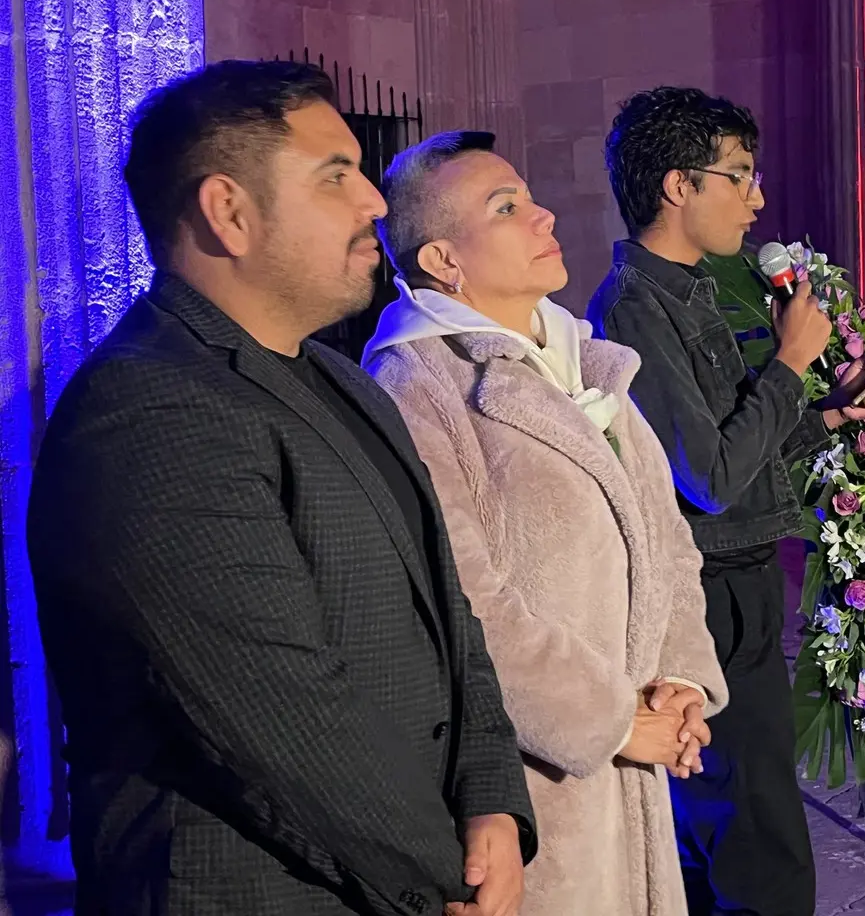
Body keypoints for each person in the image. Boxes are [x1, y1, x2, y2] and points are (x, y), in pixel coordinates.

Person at [26, 61, 534, 916]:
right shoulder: (150, 409)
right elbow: (289, 726)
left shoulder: (341, 380)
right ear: (228, 211)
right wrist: (448, 877)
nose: (376, 201)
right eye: (336, 176)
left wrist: (493, 796)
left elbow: (450, 616)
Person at [362, 129, 729, 916]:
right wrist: (609, 723)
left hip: (634, 763)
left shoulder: (582, 359)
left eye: (529, 196)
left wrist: (681, 685)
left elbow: (665, 539)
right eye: (507, 206)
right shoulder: (414, 386)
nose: (544, 215)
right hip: (534, 786)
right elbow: (467, 602)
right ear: (443, 261)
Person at [587, 87, 865, 916]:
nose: (756, 200)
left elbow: (737, 447)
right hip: (709, 591)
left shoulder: (687, 290)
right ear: (677, 186)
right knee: (758, 839)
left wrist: (825, 410)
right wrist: (792, 364)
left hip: (744, 582)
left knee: (739, 822)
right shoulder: (633, 305)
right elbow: (709, 479)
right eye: (739, 176)